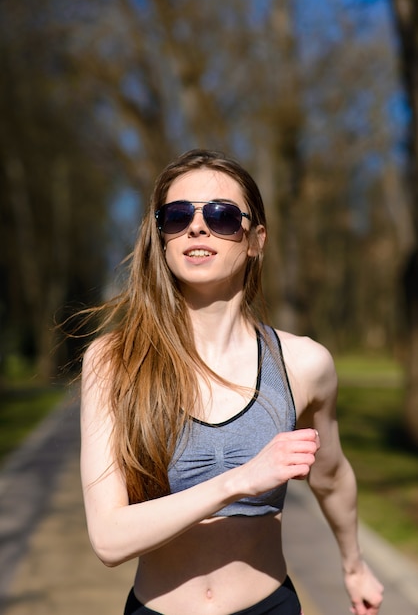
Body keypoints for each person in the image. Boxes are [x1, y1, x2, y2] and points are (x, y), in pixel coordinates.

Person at [80, 149, 384, 615]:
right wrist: (241, 480)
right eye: (177, 216)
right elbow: (108, 538)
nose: (197, 228)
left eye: (221, 216)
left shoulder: (303, 363)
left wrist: (354, 565)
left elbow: (333, 475)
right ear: (161, 237)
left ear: (255, 239)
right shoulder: (115, 361)